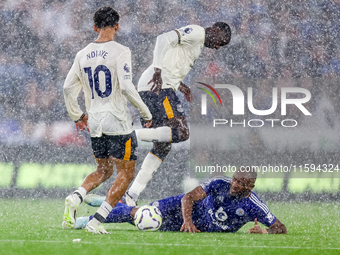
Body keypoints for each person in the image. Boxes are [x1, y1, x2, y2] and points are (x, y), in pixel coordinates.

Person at [62, 6, 152, 234]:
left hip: (95, 122)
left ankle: (76, 197)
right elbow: (127, 87)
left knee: (103, 170)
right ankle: (96, 221)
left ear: (94, 27)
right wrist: (145, 113)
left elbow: (66, 88)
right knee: (126, 173)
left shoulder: (82, 54)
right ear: (117, 26)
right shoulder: (121, 51)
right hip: (118, 121)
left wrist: (77, 115)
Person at [124, 22, 232, 206]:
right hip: (158, 85)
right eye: (220, 42)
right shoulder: (197, 32)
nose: (217, 47)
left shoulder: (196, 45)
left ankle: (131, 195)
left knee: (162, 146)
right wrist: (157, 71)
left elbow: (172, 62)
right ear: (215, 30)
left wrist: (181, 86)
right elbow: (162, 39)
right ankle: (128, 135)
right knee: (181, 132)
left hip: (158, 85)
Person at [74, 169, 287, 234]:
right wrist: (188, 221)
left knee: (142, 221)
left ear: (251, 187)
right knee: (141, 215)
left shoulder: (254, 205)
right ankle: (84, 221)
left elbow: (280, 227)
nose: (235, 184)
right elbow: (189, 197)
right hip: (184, 207)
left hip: (196, 225)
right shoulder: (219, 183)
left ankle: (108, 203)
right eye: (235, 179)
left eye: (242, 183)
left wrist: (267, 231)